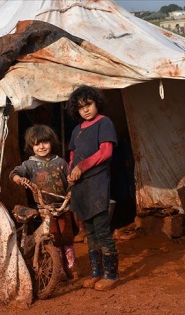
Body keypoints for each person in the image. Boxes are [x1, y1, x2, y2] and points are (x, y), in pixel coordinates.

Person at [10, 124, 79, 281]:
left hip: (62, 205)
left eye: (45, 142)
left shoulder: (60, 162)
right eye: (36, 144)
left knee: (67, 236)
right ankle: (58, 268)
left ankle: (71, 265)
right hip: (45, 208)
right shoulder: (29, 164)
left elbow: (70, 179)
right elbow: (14, 173)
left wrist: (71, 180)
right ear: (31, 146)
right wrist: (19, 179)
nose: (41, 147)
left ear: (51, 142)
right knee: (53, 237)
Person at [66, 85, 119, 291]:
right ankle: (96, 272)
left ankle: (111, 274)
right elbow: (72, 155)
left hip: (97, 183)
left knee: (102, 230)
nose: (86, 110)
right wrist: (71, 172)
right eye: (80, 107)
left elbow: (106, 152)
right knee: (89, 231)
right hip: (81, 187)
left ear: (96, 103)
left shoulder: (104, 123)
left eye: (88, 104)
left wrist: (82, 166)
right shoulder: (76, 131)